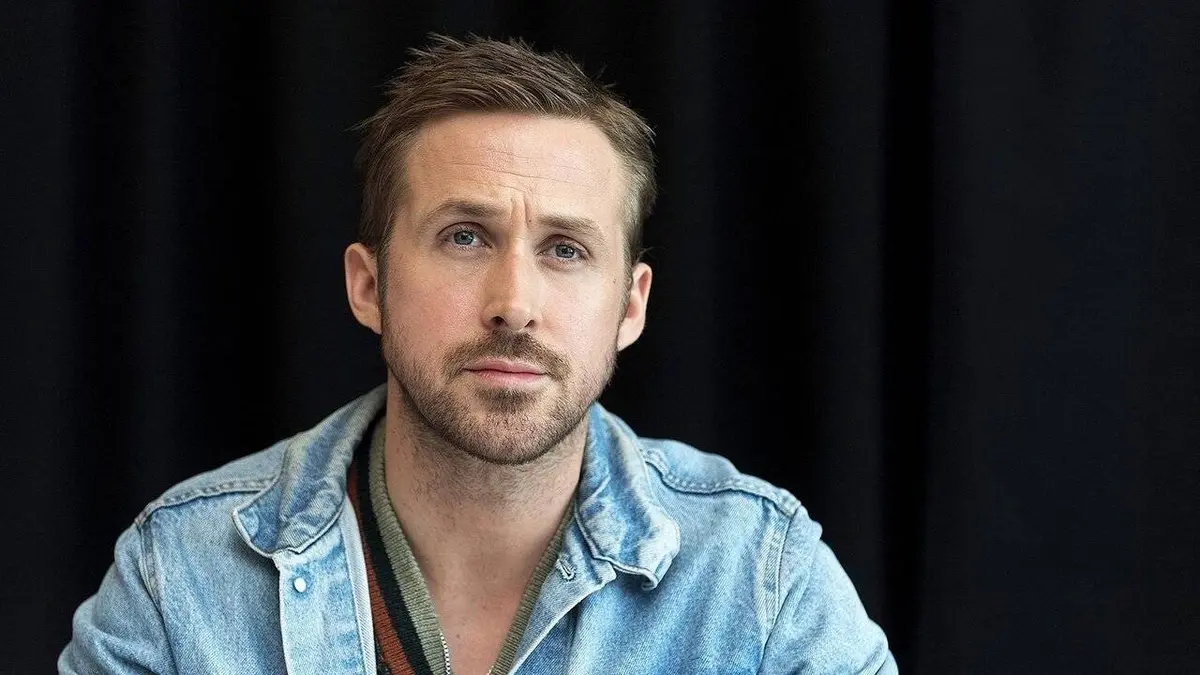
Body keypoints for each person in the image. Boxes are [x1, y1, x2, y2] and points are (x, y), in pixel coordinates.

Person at [59, 32, 897, 674]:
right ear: (369, 285)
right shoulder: (182, 575)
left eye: (566, 248)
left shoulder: (760, 578)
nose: (514, 303)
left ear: (631, 305)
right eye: (465, 236)